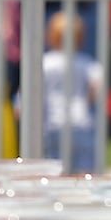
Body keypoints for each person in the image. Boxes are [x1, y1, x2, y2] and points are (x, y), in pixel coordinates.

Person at [42, 12, 103, 174]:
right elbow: (95, 89)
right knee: (85, 169)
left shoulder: (45, 62)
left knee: (53, 169)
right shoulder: (86, 63)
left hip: (52, 123)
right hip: (80, 121)